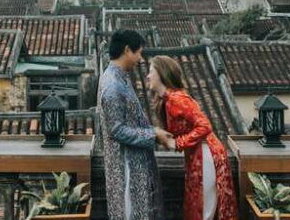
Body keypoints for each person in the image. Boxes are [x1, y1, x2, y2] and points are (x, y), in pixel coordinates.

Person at [147, 55, 238, 220]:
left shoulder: (176, 99)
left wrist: (177, 143)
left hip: (206, 153)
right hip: (197, 154)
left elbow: (205, 126)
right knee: (199, 206)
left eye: (151, 71)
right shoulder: (168, 100)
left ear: (161, 74)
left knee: (204, 209)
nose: (147, 76)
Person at [99, 30, 172, 220]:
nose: (140, 59)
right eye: (138, 52)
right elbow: (117, 130)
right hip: (126, 167)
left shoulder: (119, 77)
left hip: (134, 163)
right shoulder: (113, 85)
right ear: (126, 50)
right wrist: (153, 135)